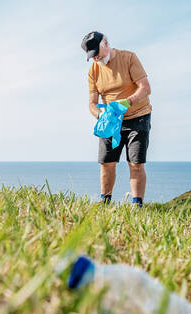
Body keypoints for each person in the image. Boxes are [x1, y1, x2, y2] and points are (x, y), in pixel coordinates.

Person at [81, 31, 152, 207]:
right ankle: (105, 203)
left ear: (105, 43)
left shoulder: (128, 58)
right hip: (111, 120)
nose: (95, 58)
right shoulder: (94, 71)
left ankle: (137, 205)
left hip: (138, 116)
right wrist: (101, 115)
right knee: (106, 163)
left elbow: (145, 88)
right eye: (92, 56)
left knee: (135, 164)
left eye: (96, 53)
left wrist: (127, 103)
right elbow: (92, 103)